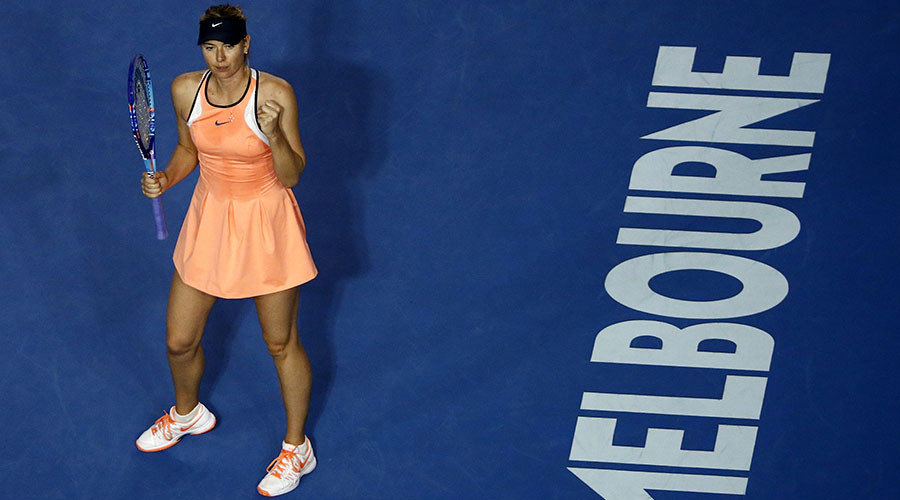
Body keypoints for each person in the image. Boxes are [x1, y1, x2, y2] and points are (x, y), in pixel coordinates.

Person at [136, 4, 318, 497]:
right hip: (210, 221)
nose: (220, 57)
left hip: (266, 222)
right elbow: (188, 151)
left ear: (247, 44)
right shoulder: (184, 90)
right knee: (179, 340)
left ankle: (297, 448)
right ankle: (188, 413)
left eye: (229, 46)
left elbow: (293, 174)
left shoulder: (276, 93)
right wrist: (166, 179)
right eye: (210, 47)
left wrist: (275, 133)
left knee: (280, 343)